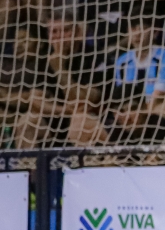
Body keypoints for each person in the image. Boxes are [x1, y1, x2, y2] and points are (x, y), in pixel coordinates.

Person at [14, 14, 112, 149]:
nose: (59, 36)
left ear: (77, 32)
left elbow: (84, 101)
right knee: (27, 121)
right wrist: (64, 110)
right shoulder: (44, 58)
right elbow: (35, 102)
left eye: (65, 30)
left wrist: (60, 70)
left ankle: (86, 163)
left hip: (94, 118)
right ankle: (29, 163)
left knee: (79, 122)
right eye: (54, 32)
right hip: (60, 117)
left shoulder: (95, 56)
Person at [105, 15, 165, 143]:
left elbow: (161, 90)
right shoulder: (122, 61)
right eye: (133, 29)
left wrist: (144, 111)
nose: (137, 34)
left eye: (142, 29)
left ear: (155, 33)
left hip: (155, 105)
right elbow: (122, 93)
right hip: (132, 108)